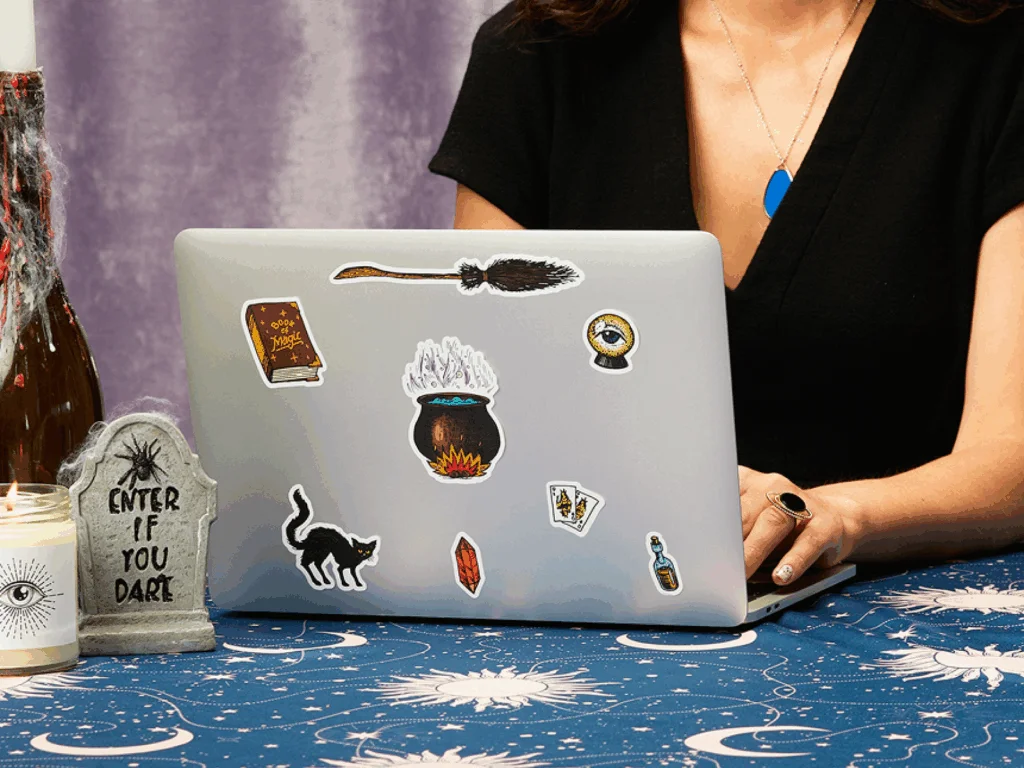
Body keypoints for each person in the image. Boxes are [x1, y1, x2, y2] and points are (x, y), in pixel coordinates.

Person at [428, 0, 1024, 587]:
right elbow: (489, 408)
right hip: (591, 595)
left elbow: (1008, 455)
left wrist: (842, 516)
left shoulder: (1002, 48)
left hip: (908, 618)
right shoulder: (537, 47)